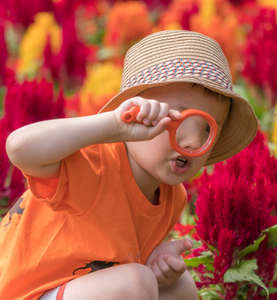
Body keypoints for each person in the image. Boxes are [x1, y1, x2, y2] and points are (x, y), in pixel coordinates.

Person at [0, 30, 258, 300]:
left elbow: (116, 258)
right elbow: (19, 147)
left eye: (207, 129)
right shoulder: (92, 163)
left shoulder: (172, 197)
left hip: (82, 288)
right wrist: (112, 125)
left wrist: (157, 261)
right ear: (134, 113)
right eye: (176, 118)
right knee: (135, 282)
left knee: (177, 286)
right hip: (24, 295)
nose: (193, 142)